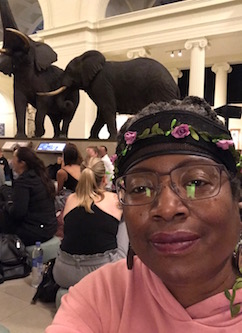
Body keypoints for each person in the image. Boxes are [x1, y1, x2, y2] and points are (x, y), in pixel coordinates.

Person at [46, 96, 242, 332]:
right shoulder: (100, 295)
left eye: (196, 183)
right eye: (140, 188)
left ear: (236, 196)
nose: (167, 209)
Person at [52, 157, 128, 289]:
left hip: (63, 272)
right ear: (104, 179)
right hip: (101, 274)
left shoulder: (71, 199)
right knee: (125, 221)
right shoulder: (116, 199)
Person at [0, 147, 57, 246]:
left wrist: (6, 206)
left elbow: (18, 213)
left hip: (33, 231)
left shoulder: (24, 182)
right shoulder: (42, 177)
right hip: (49, 227)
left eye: (13, 158)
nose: (11, 161)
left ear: (22, 163)